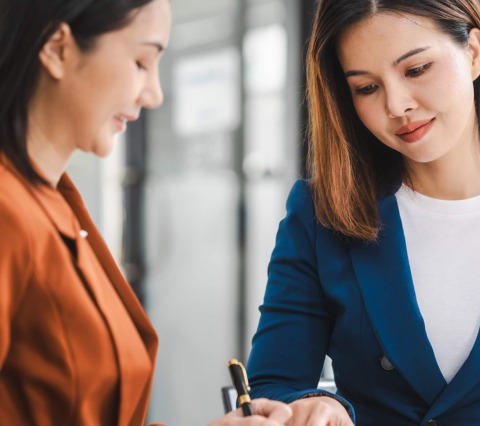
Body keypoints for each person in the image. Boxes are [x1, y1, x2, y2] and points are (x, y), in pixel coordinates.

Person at [246, 0, 480, 425]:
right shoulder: (320, 212)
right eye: (366, 87)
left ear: (473, 52)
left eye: (416, 70)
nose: (396, 105)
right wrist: (315, 405)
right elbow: (272, 385)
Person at [0, 0, 291, 425]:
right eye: (141, 62)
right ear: (58, 49)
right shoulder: (10, 211)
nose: (153, 94)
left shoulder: (57, 202)